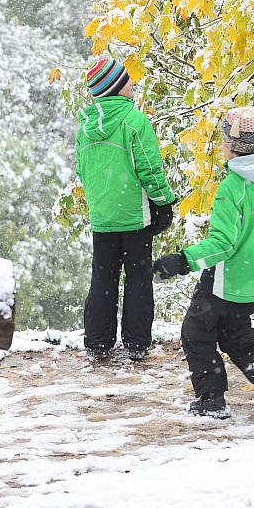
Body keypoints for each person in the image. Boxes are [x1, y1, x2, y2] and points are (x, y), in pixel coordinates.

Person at [153, 105, 254, 418]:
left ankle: (210, 401)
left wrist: (182, 261)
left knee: (196, 332)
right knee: (235, 332)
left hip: (226, 278)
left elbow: (224, 244)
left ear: (228, 144)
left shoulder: (232, 188)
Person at [75, 56, 177, 362]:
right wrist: (164, 203)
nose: (133, 83)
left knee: (103, 279)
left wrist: (101, 201)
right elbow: (149, 168)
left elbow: (82, 172)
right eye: (128, 79)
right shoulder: (135, 122)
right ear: (117, 86)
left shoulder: (84, 129)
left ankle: (98, 342)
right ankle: (135, 343)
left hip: (103, 216)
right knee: (138, 277)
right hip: (134, 216)